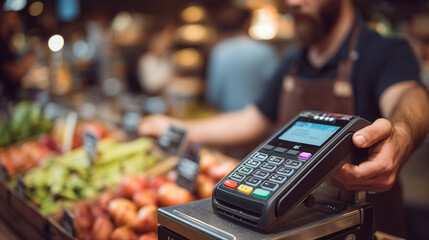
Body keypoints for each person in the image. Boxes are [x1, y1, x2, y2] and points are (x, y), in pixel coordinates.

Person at [139, 0, 429, 237]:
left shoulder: (385, 51)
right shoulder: (292, 61)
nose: (293, 3)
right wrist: (177, 128)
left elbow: (411, 97)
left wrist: (401, 136)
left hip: (362, 228)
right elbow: (252, 120)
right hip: (291, 227)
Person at [205, 3, 278, 112]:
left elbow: (214, 93)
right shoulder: (264, 51)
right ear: (247, 23)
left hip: (228, 116)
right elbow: (275, 89)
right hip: (259, 116)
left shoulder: (220, 51)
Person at [0, 10, 35, 101]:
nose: (17, 22)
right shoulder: (1, 44)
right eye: (13, 18)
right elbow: (15, 74)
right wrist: (30, 57)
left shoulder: (7, 42)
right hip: (4, 101)